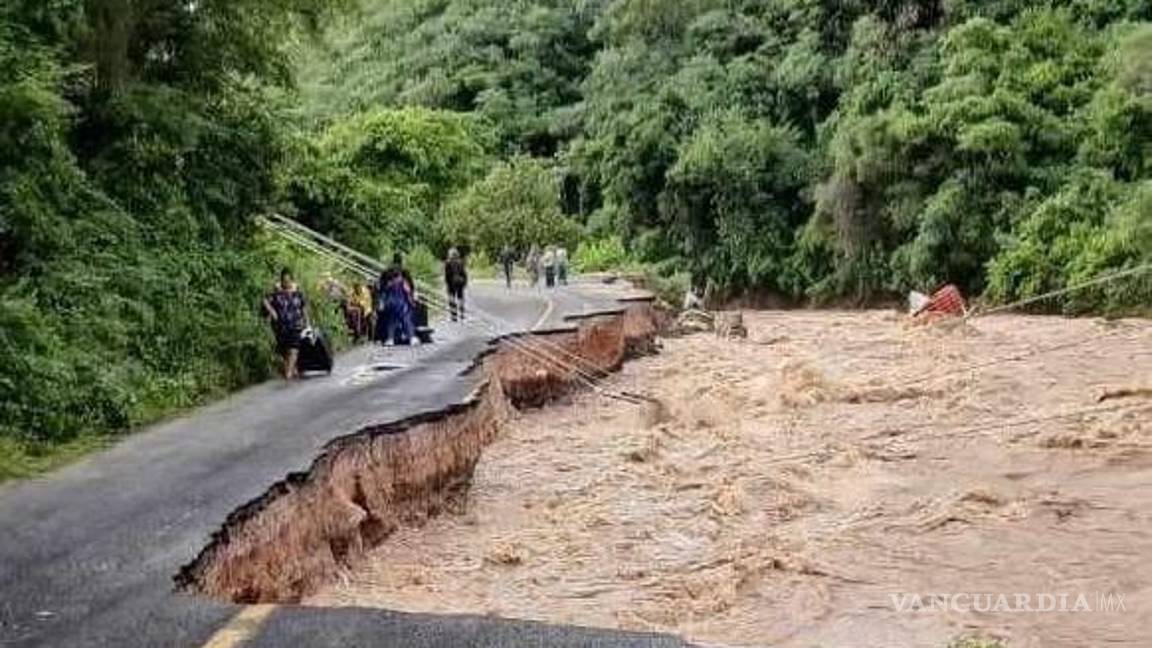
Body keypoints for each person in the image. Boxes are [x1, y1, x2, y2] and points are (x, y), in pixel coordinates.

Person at [263, 268, 310, 380]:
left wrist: (307, 322)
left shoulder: (298, 292)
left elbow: (304, 307)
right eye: (284, 281)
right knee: (284, 351)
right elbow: (265, 301)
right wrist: (272, 312)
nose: (286, 283)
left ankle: (288, 373)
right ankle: (292, 369)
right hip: (281, 326)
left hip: (296, 324)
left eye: (288, 281)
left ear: (292, 280)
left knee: (293, 348)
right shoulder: (276, 292)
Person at [377, 253, 415, 345]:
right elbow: (409, 289)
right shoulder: (404, 275)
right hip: (400, 302)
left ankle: (390, 338)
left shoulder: (386, 275)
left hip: (389, 302)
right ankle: (411, 337)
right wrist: (411, 300)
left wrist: (381, 302)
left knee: (391, 320)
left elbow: (381, 288)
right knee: (406, 319)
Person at [444, 247, 468, 322]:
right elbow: (464, 273)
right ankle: (462, 314)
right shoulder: (460, 262)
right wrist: (465, 282)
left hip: (451, 283)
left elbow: (447, 275)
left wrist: (447, 284)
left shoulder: (447, 263)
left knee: (452, 298)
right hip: (460, 283)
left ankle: (453, 315)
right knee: (460, 298)